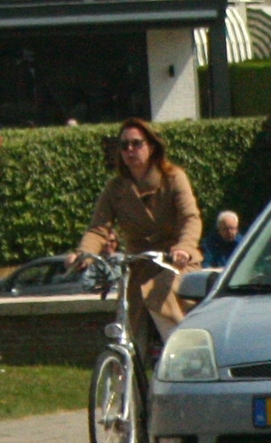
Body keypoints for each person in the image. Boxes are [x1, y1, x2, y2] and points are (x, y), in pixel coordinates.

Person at [68, 119, 200, 359]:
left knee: (160, 295)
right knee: (127, 327)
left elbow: (190, 218)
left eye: (136, 144)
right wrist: (83, 254)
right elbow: (99, 229)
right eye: (124, 145)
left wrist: (183, 248)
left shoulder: (173, 178)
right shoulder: (116, 189)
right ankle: (126, 385)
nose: (130, 150)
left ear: (151, 146)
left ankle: (183, 358)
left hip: (175, 262)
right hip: (138, 264)